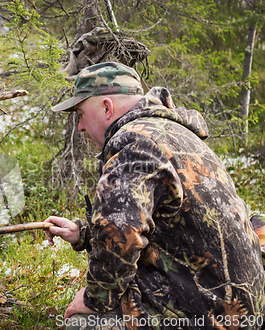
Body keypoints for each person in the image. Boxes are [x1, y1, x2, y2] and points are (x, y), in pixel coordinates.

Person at [45, 62, 265, 330]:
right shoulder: (173, 132)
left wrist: (96, 300)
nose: (79, 126)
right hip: (240, 305)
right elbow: (166, 226)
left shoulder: (134, 143)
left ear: (106, 108)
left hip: (211, 317)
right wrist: (83, 233)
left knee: (82, 322)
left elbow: (120, 236)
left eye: (80, 114)